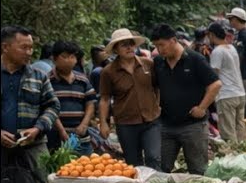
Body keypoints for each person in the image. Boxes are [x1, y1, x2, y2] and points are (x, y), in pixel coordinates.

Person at [2, 25, 58, 183]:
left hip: (33, 144)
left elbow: (52, 106)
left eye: (31, 47)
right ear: (5, 47)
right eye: (23, 47)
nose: (29, 52)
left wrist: (38, 129)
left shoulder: (38, 75)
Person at [151, 24, 219, 175]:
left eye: (161, 45)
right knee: (162, 169)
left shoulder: (195, 59)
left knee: (198, 170)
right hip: (166, 125)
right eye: (156, 46)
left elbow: (215, 84)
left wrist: (202, 108)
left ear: (173, 40)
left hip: (193, 126)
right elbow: (155, 86)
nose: (159, 50)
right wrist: (156, 104)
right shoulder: (158, 62)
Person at [97, 28, 161, 169]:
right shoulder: (108, 72)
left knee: (154, 157)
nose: (129, 47)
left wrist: (157, 104)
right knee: (133, 163)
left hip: (151, 120)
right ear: (115, 50)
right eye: (124, 45)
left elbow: (156, 87)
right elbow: (105, 99)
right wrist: (103, 123)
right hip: (126, 124)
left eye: (131, 44)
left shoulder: (147, 64)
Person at [47, 40, 97, 153]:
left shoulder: (83, 79)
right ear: (54, 59)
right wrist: (61, 131)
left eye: (72, 57)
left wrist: (84, 125)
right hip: (56, 138)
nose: (69, 60)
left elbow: (90, 103)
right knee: (60, 169)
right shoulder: (47, 80)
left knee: (86, 167)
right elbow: (48, 107)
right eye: (64, 57)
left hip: (81, 135)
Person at [207, 23, 246, 144]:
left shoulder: (217, 51)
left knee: (228, 132)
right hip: (239, 93)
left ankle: (233, 157)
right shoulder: (231, 48)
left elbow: (214, 75)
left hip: (226, 95)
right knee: (240, 127)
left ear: (212, 35)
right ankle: (243, 152)